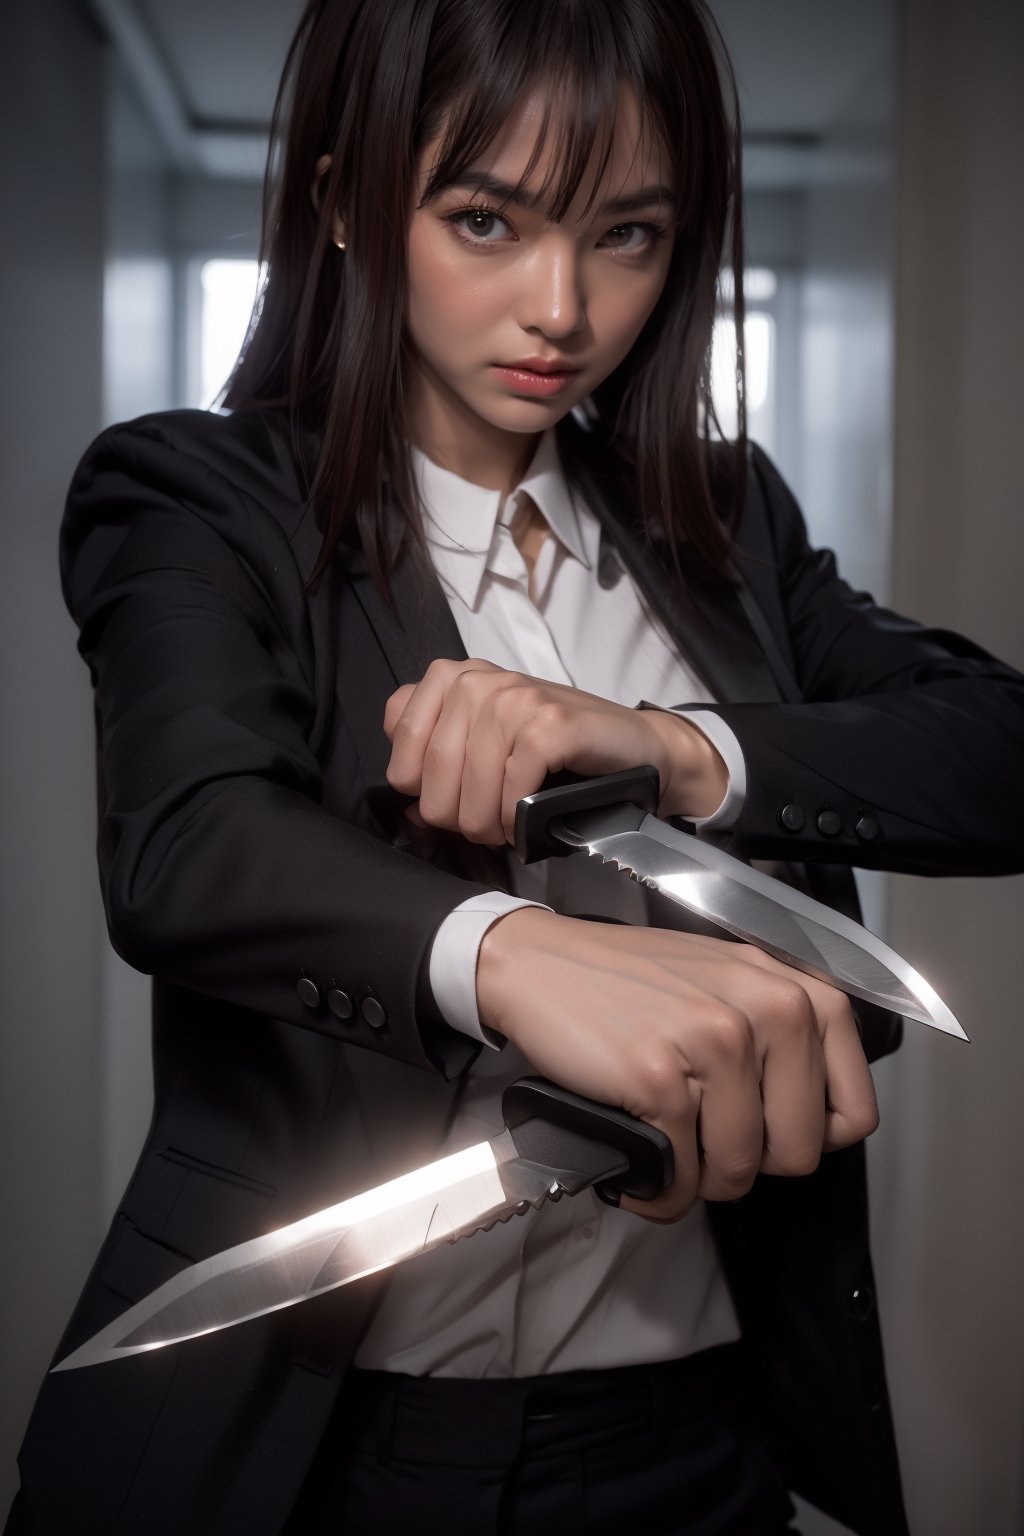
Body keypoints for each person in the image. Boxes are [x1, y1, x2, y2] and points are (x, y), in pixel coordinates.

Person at [7, 0, 1024, 1532]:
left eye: (628, 235)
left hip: (700, 1441)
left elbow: (999, 748)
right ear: (351, 199)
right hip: (311, 1453)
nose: (562, 306)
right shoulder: (200, 497)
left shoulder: (727, 523)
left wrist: (680, 751)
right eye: (486, 219)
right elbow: (189, 841)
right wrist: (511, 952)